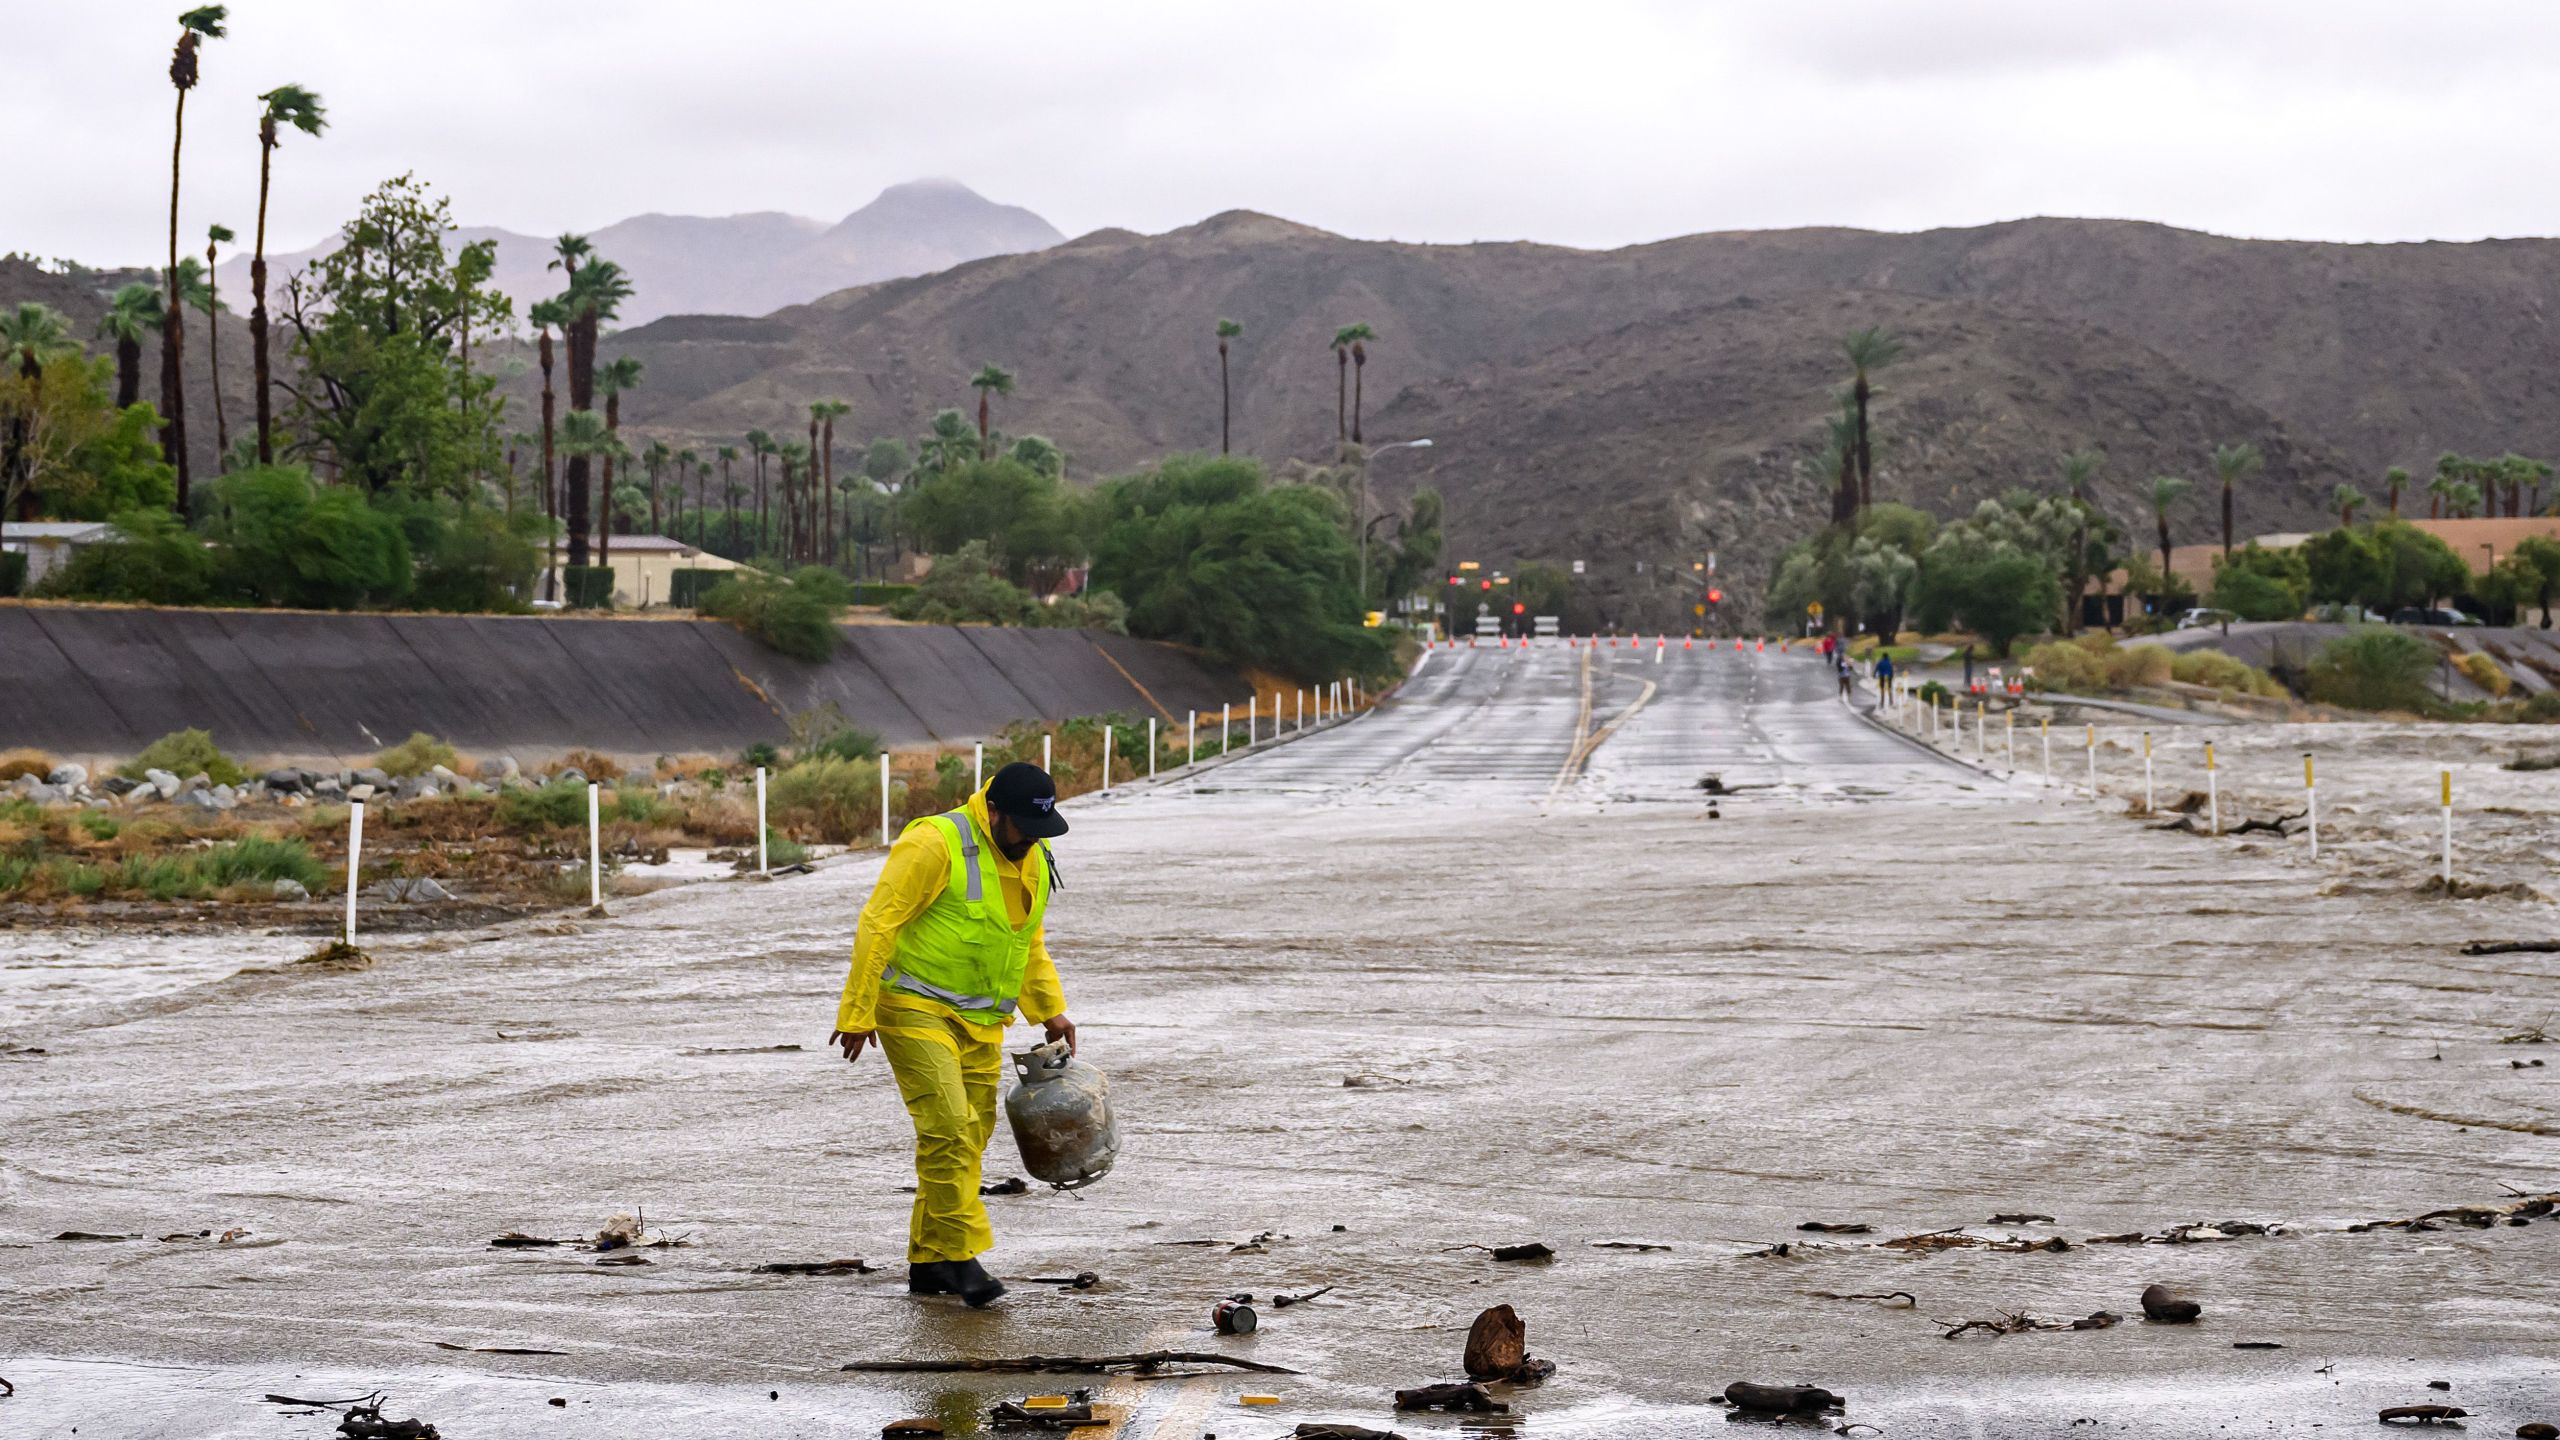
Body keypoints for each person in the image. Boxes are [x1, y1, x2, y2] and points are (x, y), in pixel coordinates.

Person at [830, 761, 1076, 1309]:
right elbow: (879, 922)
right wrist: (858, 1010)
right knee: (946, 1128)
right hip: (913, 1007)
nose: (1032, 841)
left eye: (1041, 830)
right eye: (1023, 828)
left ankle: (928, 1260)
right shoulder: (935, 843)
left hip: (983, 1021)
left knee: (970, 1135)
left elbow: (1025, 941)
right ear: (993, 812)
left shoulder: (1032, 857)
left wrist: (1049, 1009)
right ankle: (963, 1257)